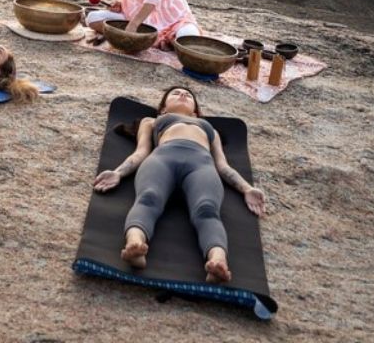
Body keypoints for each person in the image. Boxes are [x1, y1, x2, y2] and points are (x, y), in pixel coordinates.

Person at [93, 86, 266, 284]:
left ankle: (218, 262)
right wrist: (117, 173)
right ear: (163, 110)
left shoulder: (210, 129)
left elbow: (223, 166)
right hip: (162, 159)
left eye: (188, 95)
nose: (183, 95)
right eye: (175, 94)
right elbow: (141, 152)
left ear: (195, 112)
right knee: (148, 198)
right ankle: (135, 245)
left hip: (201, 165)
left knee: (207, 210)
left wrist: (247, 188)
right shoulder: (151, 121)